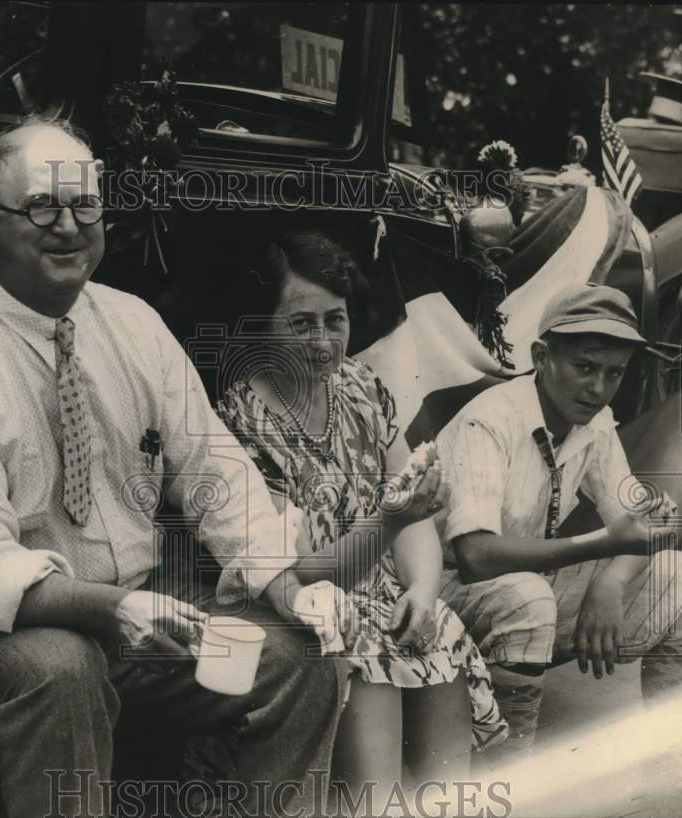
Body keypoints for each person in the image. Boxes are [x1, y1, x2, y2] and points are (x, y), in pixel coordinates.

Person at [0, 115, 347, 818]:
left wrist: (286, 586)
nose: (68, 227)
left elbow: (212, 472)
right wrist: (110, 609)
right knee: (61, 670)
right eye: (41, 206)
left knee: (293, 657)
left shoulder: (132, 324)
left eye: (86, 206)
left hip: (141, 634)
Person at [214, 229, 508, 806]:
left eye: (336, 320)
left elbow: (411, 503)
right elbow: (300, 572)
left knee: (435, 632)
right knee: (369, 657)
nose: (323, 342)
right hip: (310, 604)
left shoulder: (362, 389)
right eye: (300, 323)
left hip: (381, 596)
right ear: (260, 324)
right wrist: (392, 523)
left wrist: (423, 588)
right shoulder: (241, 422)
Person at [435, 283, 682, 768]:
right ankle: (507, 777)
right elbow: (474, 556)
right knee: (528, 596)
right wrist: (602, 545)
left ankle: (672, 767)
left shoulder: (595, 421)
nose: (599, 388)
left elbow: (637, 522)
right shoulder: (492, 419)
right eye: (584, 367)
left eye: (614, 373)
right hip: (442, 595)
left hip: (524, 592)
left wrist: (611, 579)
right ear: (541, 356)